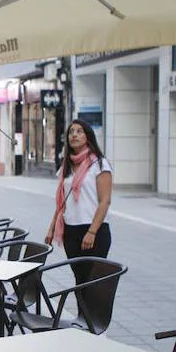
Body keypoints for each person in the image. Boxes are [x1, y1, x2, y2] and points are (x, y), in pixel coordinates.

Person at [44, 119, 113, 283]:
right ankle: (82, 310)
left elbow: (105, 202)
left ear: (88, 137)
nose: (74, 135)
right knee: (79, 280)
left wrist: (92, 232)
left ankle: (94, 310)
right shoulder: (66, 167)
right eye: (71, 132)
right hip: (70, 231)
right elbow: (61, 202)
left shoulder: (100, 164)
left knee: (93, 281)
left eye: (79, 131)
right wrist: (51, 228)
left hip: (94, 230)